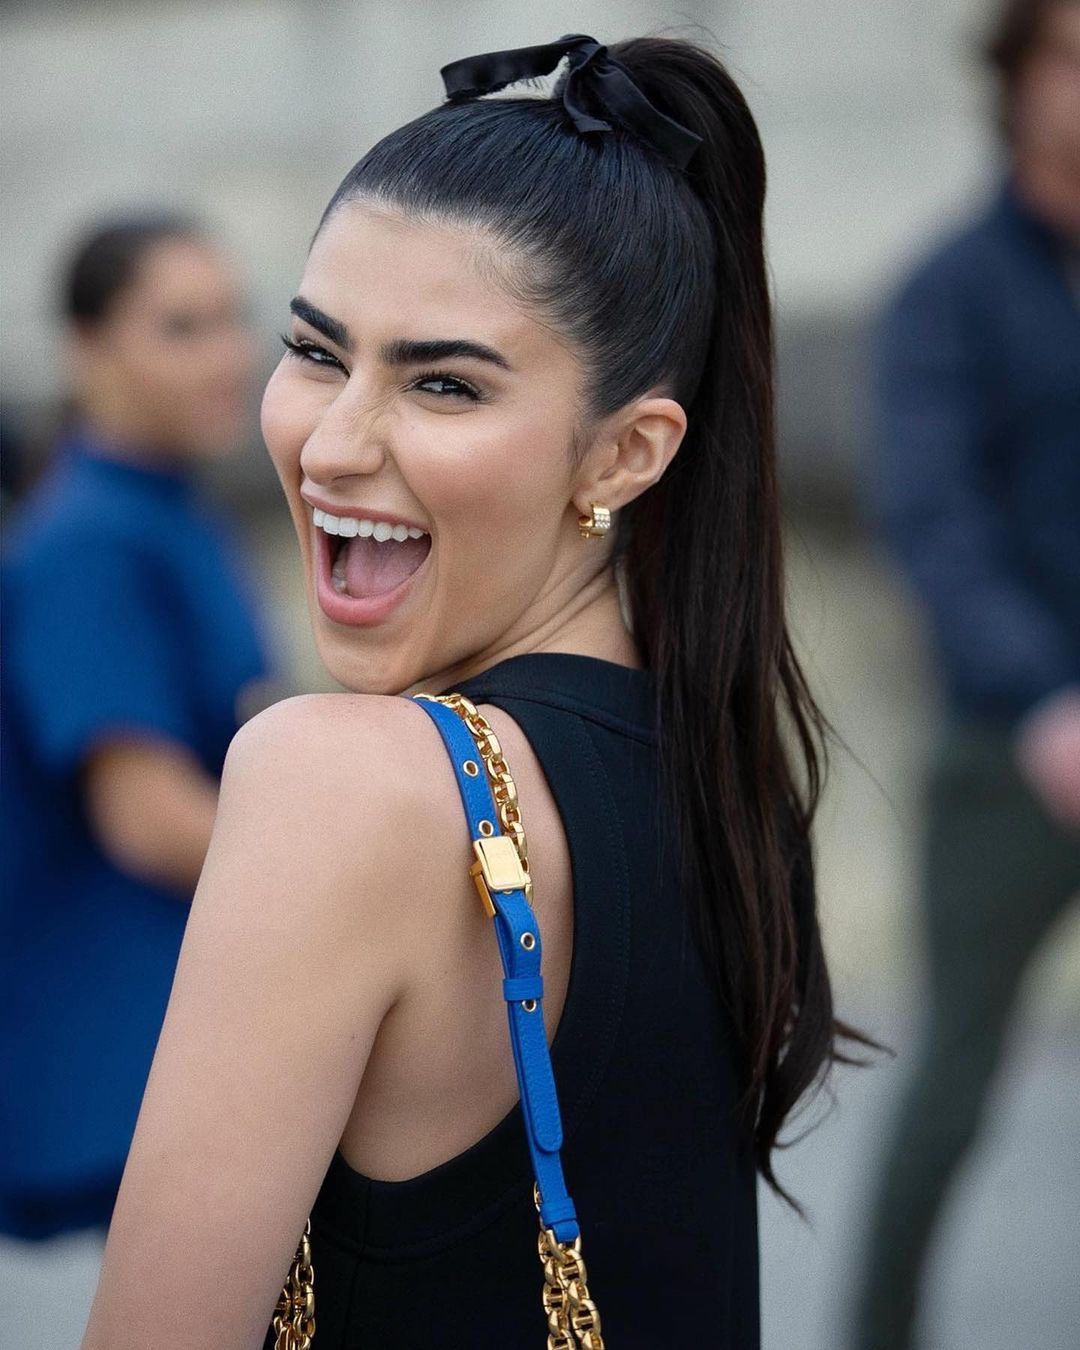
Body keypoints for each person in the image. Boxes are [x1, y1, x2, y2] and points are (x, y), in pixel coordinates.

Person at [79, 36, 865, 1350]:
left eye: (444, 382)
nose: (332, 444)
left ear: (625, 452)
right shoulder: (727, 777)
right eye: (315, 351)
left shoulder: (341, 781)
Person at [852, 2, 1080, 1346]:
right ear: (1019, 76)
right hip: (1012, 749)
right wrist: (1043, 696)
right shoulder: (949, 290)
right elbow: (933, 520)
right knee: (953, 1082)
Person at [1, 214, 277, 1245]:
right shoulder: (86, 542)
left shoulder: (171, 510)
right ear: (88, 348)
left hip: (192, 1026)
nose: (228, 356)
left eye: (232, 320)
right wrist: (364, 887)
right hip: (134, 1049)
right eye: (181, 328)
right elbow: (149, 820)